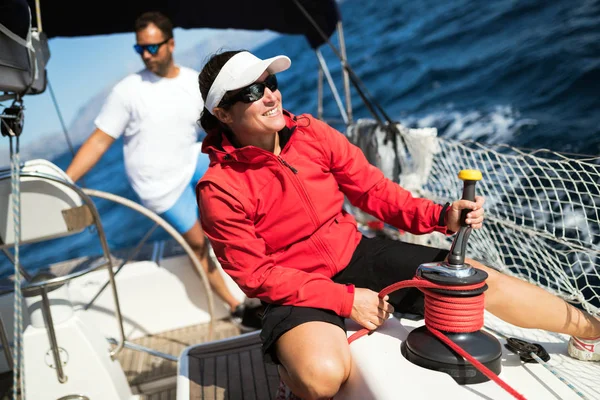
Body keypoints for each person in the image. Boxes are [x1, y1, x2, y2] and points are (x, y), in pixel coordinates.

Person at [195, 49, 600, 400]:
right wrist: (345, 300)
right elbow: (256, 275)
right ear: (222, 113)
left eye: (271, 82)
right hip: (295, 288)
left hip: (356, 252)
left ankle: (591, 330)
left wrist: (441, 215)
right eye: (251, 91)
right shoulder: (219, 188)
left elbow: (376, 193)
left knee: (478, 282)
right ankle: (286, 365)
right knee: (320, 379)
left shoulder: (312, 133)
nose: (270, 95)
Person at [64, 12, 262, 331]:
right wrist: (64, 182)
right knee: (198, 244)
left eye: (153, 48)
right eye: (140, 49)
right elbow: (100, 140)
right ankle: (238, 307)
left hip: (192, 160)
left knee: (253, 194)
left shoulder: (192, 82)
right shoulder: (127, 91)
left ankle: (270, 273)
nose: (145, 55)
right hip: (160, 186)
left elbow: (225, 119)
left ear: (170, 44)